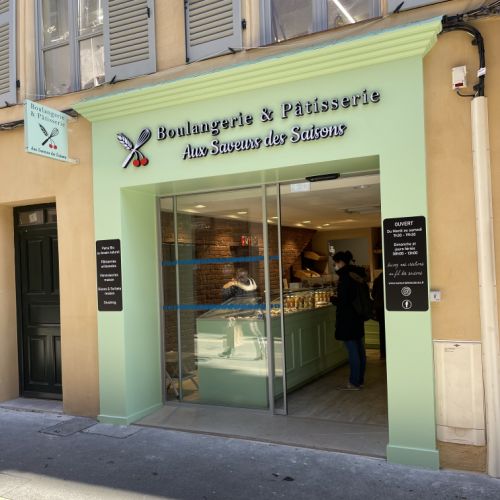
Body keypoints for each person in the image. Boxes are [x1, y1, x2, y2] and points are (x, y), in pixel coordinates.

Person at [331, 250, 366, 391]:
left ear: (341, 262)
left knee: (352, 351)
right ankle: (360, 380)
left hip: (348, 318)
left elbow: (344, 300)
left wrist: (334, 299)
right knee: (359, 349)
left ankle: (354, 382)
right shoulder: (357, 274)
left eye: (335, 263)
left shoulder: (345, 277)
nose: (335, 266)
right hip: (358, 316)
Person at [371, 272, 386, 360]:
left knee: (382, 330)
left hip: (379, 308)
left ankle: (383, 353)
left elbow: (373, 295)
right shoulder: (390, 278)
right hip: (388, 307)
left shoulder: (377, 280)